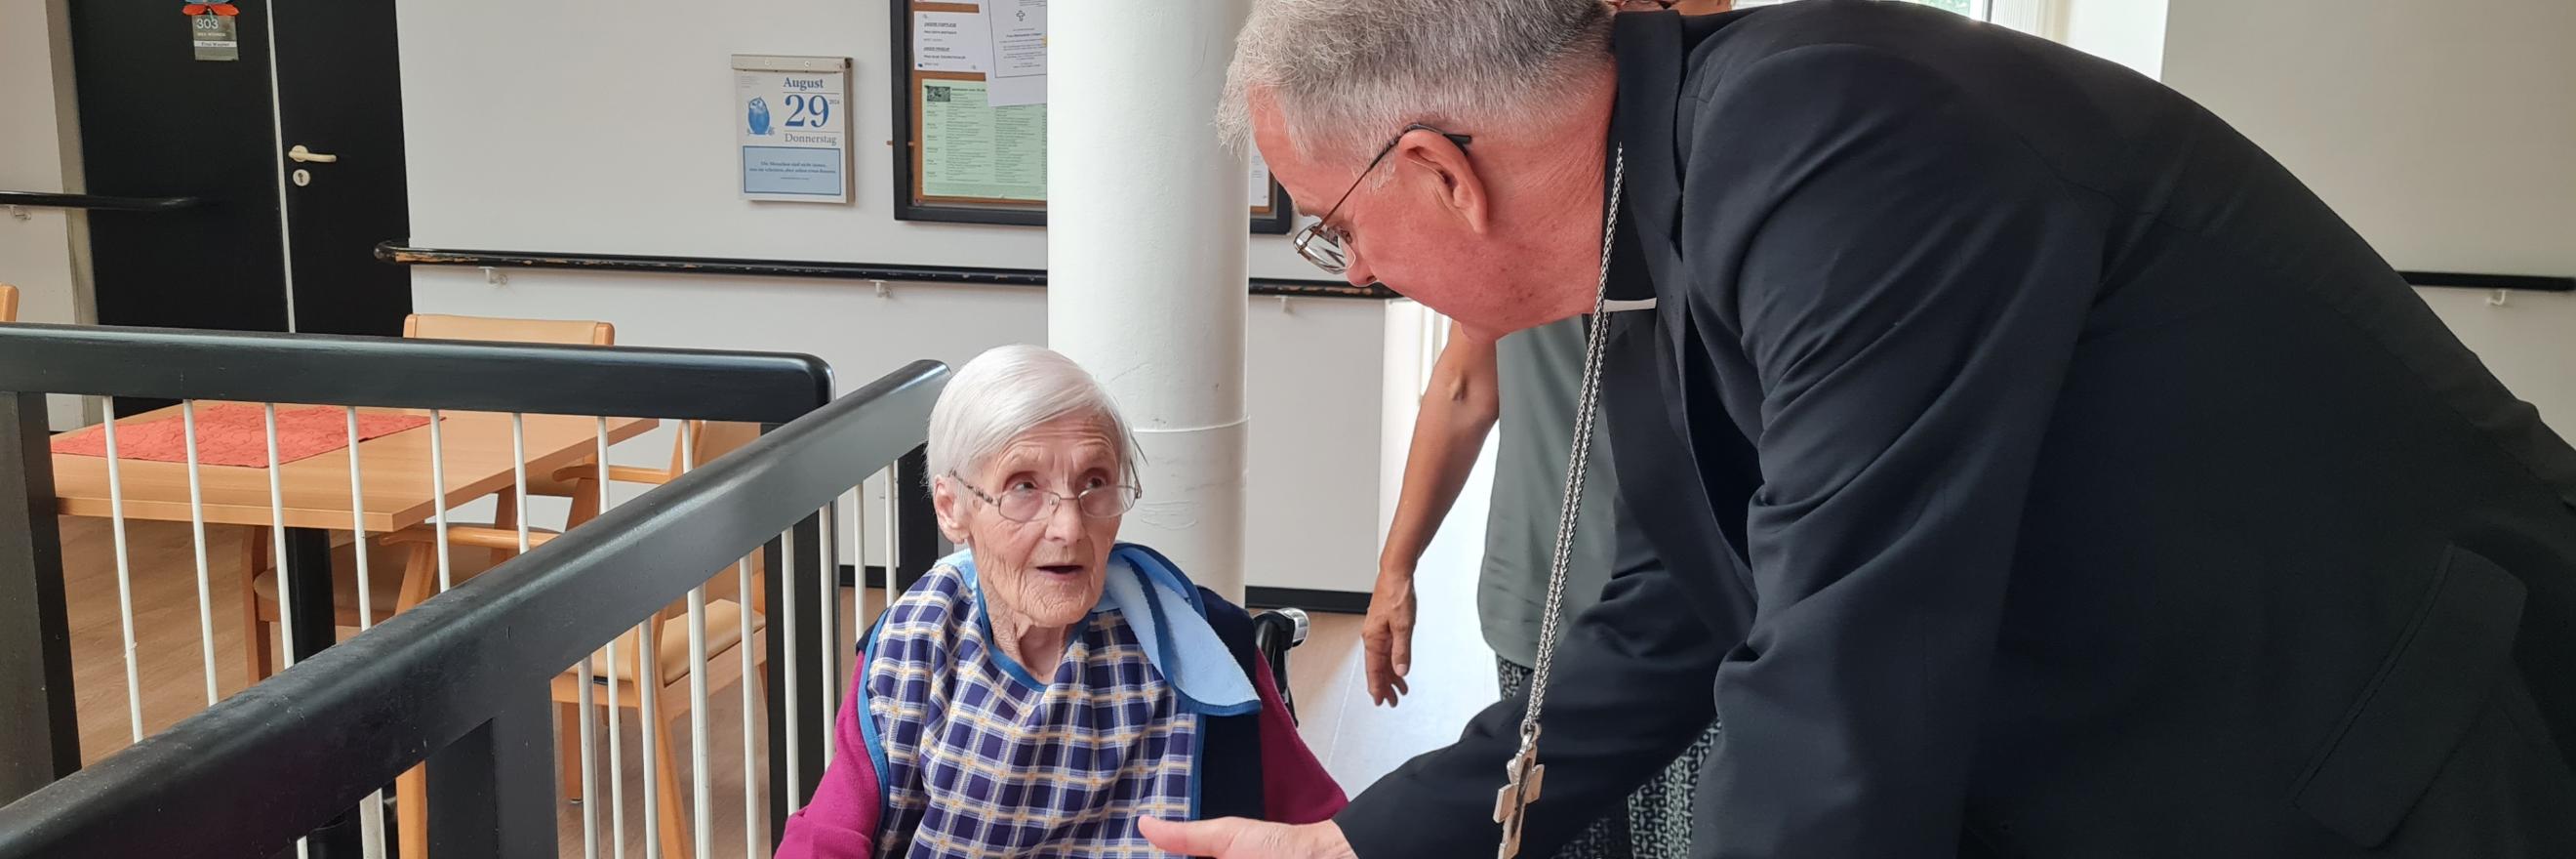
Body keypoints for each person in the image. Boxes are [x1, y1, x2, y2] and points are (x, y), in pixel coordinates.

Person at [1141, 1, 2576, 857]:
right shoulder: (1662, 206)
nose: (1365, 272)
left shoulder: (1836, 145)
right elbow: (1674, 620)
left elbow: (1838, 687)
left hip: (2383, 747)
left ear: (1440, 174)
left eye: (1333, 232)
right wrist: (1354, 839)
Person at [778, 345, 1345, 858]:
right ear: (952, 509)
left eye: (1095, 482)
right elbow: (829, 831)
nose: (1070, 527)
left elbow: (1319, 825)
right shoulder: (915, 640)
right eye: (1024, 486)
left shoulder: (1202, 642)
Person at [1371, 315, 1713, 859]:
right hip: (1542, 593)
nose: (1355, 270)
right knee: (1550, 842)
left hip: (1701, 617)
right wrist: (1395, 568)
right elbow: (1464, 386)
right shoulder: (1489, 242)